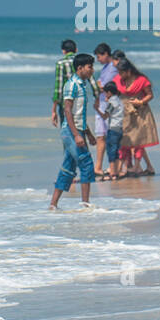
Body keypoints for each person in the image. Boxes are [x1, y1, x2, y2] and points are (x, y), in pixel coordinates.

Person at [49, 53, 100, 210]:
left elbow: (80, 115)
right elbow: (68, 111)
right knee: (86, 163)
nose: (92, 70)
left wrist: (89, 134)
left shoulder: (82, 85)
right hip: (70, 131)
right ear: (80, 68)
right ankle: (85, 204)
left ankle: (53, 205)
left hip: (78, 130)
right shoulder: (72, 85)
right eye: (90, 67)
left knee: (68, 166)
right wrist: (77, 135)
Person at [114, 58, 158, 176]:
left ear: (128, 71)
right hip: (125, 113)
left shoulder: (142, 80)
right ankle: (124, 166)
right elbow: (114, 92)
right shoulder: (118, 80)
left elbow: (150, 95)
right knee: (125, 140)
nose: (120, 75)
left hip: (140, 113)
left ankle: (137, 166)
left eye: (121, 72)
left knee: (139, 141)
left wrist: (141, 102)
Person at [92, 43, 118, 176]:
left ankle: (114, 167)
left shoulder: (113, 67)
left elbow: (106, 86)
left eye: (99, 56)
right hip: (100, 104)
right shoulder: (105, 68)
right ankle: (98, 167)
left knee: (111, 137)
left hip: (108, 105)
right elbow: (100, 85)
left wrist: (99, 87)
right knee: (100, 136)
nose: (98, 59)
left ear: (106, 54)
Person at [99, 82, 126, 180]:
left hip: (113, 129)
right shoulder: (119, 101)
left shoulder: (112, 102)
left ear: (109, 92)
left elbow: (105, 115)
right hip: (119, 128)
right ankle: (116, 172)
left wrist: (97, 109)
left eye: (106, 93)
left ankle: (113, 173)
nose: (105, 95)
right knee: (116, 150)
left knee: (111, 150)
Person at [51, 39, 77, 125]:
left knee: (67, 131)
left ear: (63, 51)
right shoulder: (82, 62)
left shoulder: (61, 63)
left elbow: (58, 88)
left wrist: (54, 110)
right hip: (80, 101)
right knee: (79, 129)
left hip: (66, 103)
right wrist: (97, 98)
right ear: (76, 50)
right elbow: (92, 82)